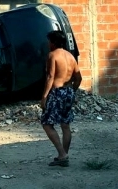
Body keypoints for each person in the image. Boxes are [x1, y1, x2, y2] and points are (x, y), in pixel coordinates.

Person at [40, 30, 82, 167]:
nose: (48, 44)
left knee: (46, 123)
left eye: (49, 41)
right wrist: (71, 91)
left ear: (53, 42)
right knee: (65, 124)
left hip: (57, 92)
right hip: (68, 91)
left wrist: (45, 96)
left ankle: (62, 154)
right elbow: (78, 78)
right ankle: (64, 155)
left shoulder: (52, 55)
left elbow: (50, 77)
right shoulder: (71, 56)